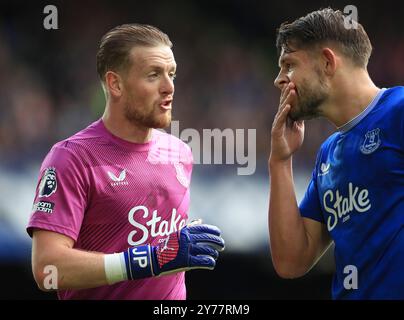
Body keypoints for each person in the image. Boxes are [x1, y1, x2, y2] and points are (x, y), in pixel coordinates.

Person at [27, 23, 225, 300]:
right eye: (154, 75)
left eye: (172, 74)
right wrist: (149, 260)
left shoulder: (179, 153)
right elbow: (46, 269)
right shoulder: (72, 158)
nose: (169, 87)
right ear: (115, 83)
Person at [269, 8, 404, 299]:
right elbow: (291, 261)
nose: (280, 80)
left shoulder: (400, 111)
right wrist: (280, 161)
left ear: (327, 62)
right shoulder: (329, 154)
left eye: (288, 65)